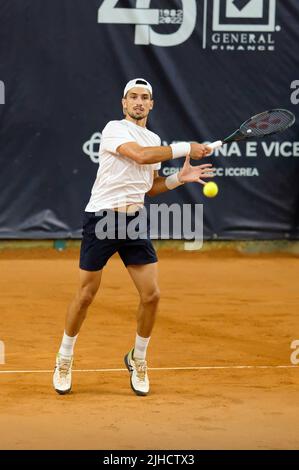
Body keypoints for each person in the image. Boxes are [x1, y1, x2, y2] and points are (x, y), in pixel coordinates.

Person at [53, 78, 214, 396]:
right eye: (133, 97)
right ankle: (64, 357)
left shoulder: (153, 137)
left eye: (145, 97)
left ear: (152, 104)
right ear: (124, 103)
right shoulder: (115, 129)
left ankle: (138, 358)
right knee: (86, 294)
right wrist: (184, 148)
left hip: (134, 221)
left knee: (151, 295)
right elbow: (139, 157)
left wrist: (178, 179)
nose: (139, 102)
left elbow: (149, 187)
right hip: (101, 218)